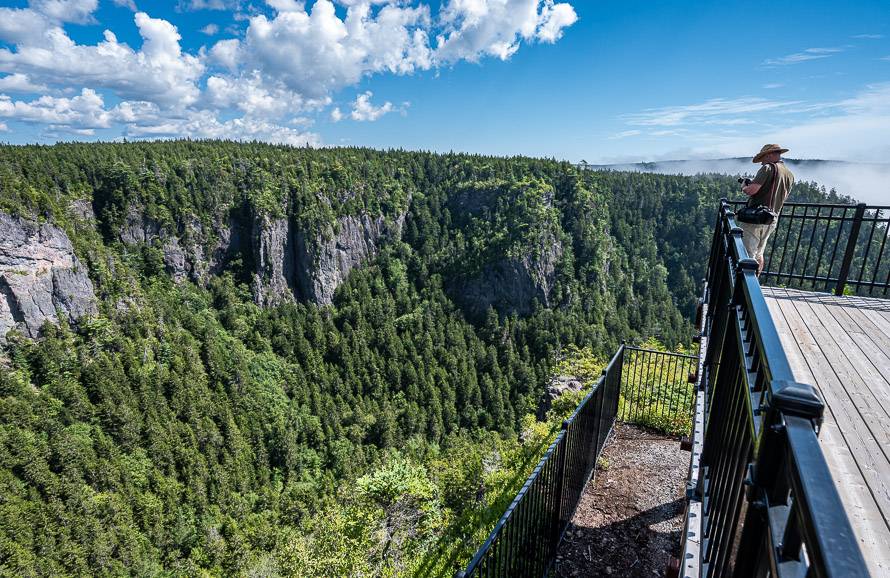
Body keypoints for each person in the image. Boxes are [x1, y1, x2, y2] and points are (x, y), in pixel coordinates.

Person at [739, 144, 795, 275]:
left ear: (769, 155)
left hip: (756, 218)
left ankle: (746, 289)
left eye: (762, 159)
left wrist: (744, 187)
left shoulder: (767, 168)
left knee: (748, 253)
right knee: (760, 252)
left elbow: (752, 190)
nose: (761, 163)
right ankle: (756, 281)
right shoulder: (789, 174)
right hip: (772, 218)